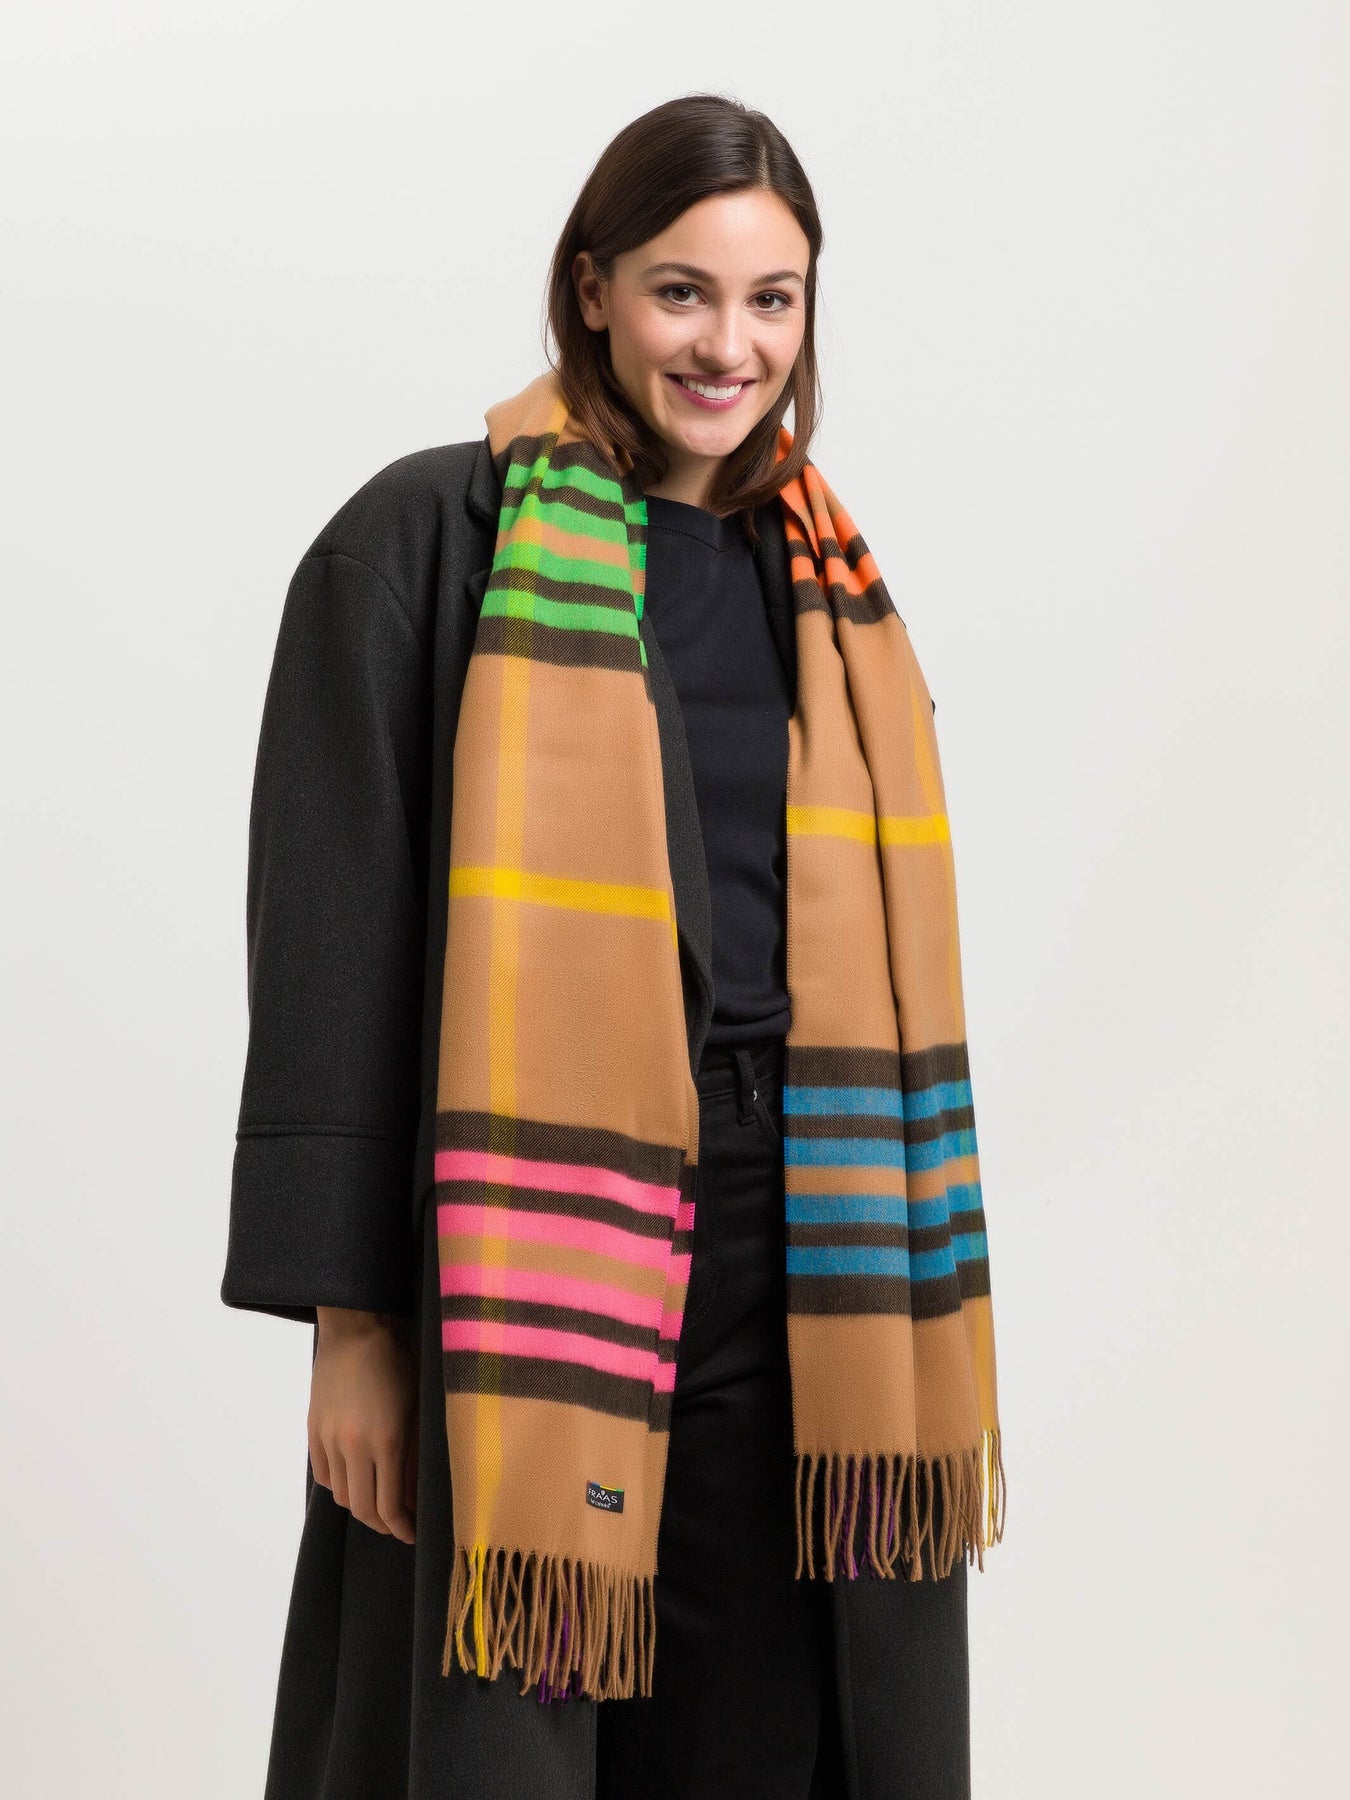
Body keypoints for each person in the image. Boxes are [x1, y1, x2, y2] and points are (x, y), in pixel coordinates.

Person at [222, 92, 996, 1800]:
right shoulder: (428, 544)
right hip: (523, 1238)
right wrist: (352, 1329)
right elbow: (332, 944)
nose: (730, 346)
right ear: (591, 289)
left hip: (803, 1246)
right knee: (510, 1722)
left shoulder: (828, 591)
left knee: (762, 1735)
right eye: (680, 292)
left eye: (771, 299)